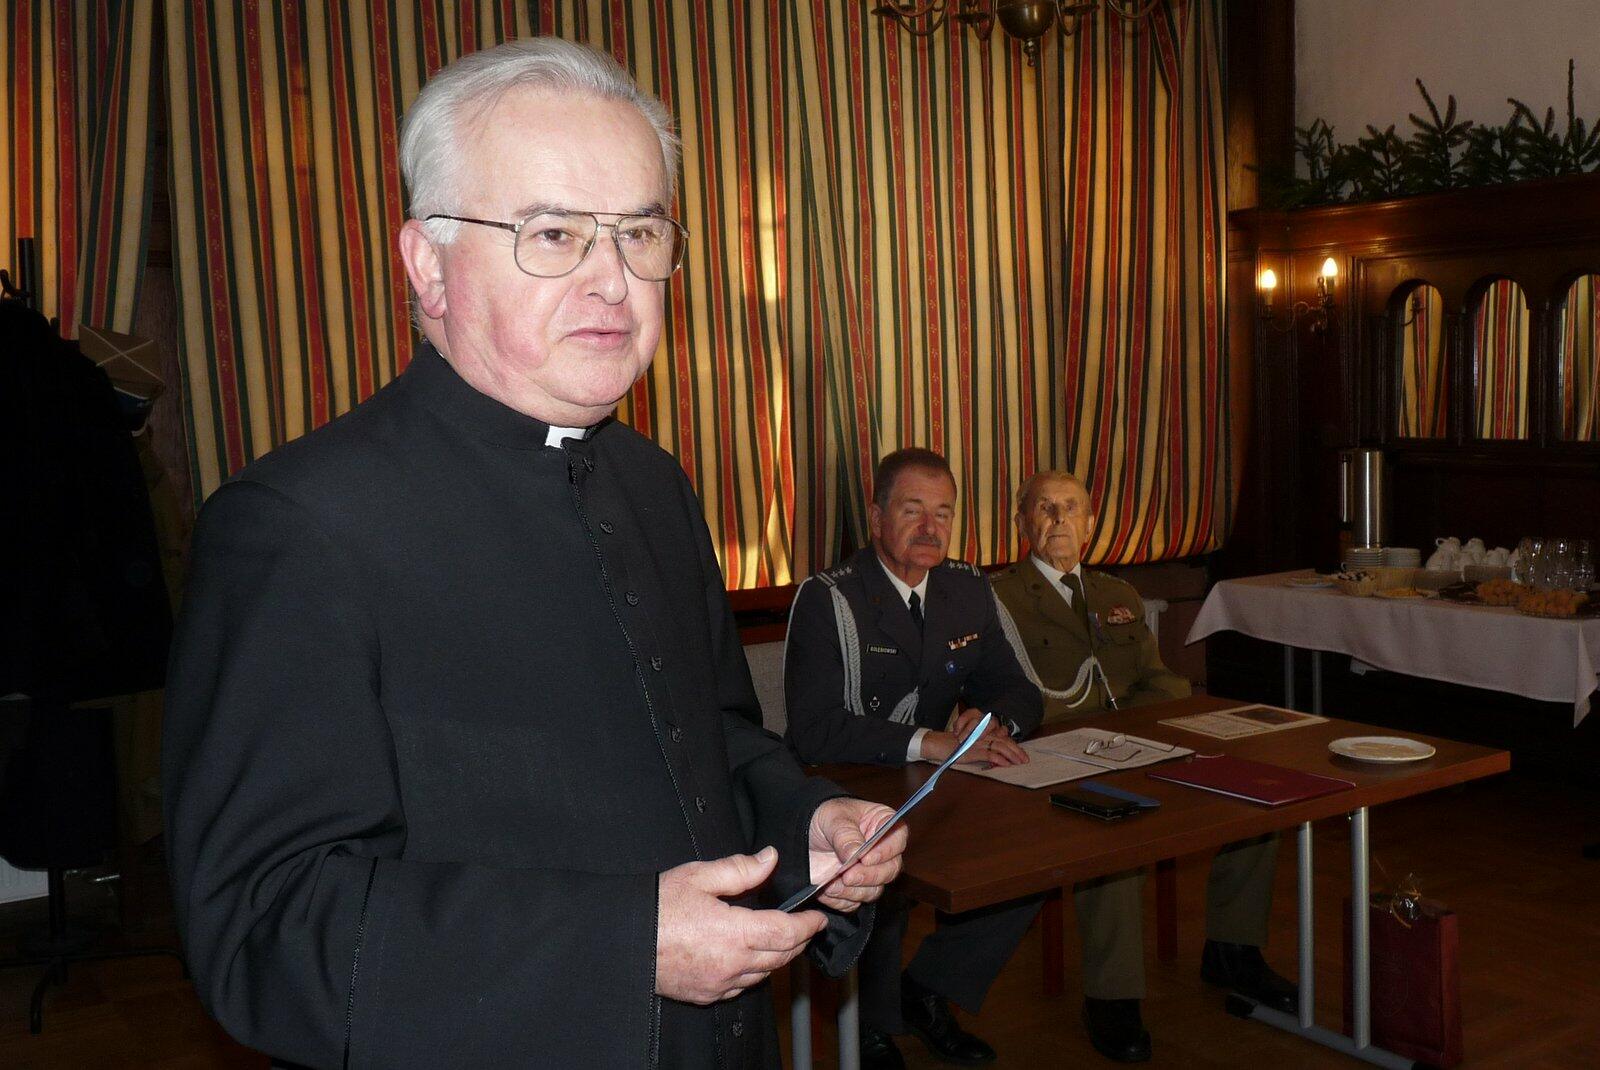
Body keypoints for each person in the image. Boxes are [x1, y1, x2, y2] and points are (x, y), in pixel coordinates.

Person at [162, 39, 905, 1070]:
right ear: (428, 265)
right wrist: (623, 945)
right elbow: (263, 924)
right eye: (553, 233)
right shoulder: (298, 526)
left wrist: (803, 820)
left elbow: (711, 742)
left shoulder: (653, 482)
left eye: (640, 231)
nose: (614, 280)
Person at [990, 470, 1294, 1063]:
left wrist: (1188, 727)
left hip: (1136, 747)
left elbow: (1159, 681)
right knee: (1113, 832)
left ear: (1090, 524)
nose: (1059, 518)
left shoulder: (1117, 596)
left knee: (1255, 797)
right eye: (1045, 507)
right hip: (1054, 759)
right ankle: (1113, 996)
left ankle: (1233, 948)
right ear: (1021, 522)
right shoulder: (998, 600)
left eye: (1072, 507)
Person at [784, 448, 1043, 1070]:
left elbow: (1022, 690)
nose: (930, 528)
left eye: (943, 513)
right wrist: (930, 740)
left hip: (940, 786)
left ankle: (928, 989)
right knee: (884, 874)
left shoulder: (967, 588)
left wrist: (990, 722)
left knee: (1029, 860)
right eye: (912, 511)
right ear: (877, 518)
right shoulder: (829, 598)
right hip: (851, 788)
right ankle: (871, 1026)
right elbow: (814, 731)